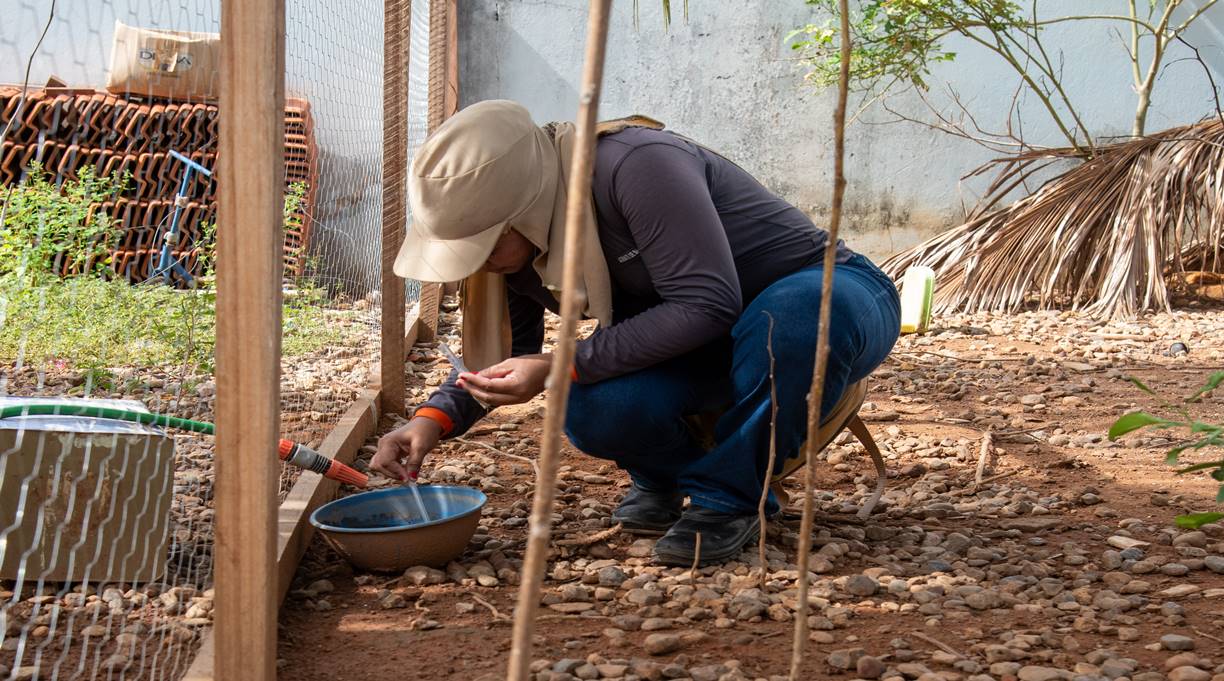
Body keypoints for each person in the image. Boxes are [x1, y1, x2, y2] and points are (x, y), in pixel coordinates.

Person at [372, 100, 900, 566]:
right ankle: (669, 475)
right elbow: (507, 355)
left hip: (823, 295)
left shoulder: (636, 164)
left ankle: (731, 498)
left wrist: (561, 363)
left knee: (791, 325)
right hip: (701, 338)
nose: (478, 265)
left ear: (524, 213)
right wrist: (432, 420)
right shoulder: (518, 255)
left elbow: (707, 302)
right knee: (594, 407)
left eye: (484, 247)